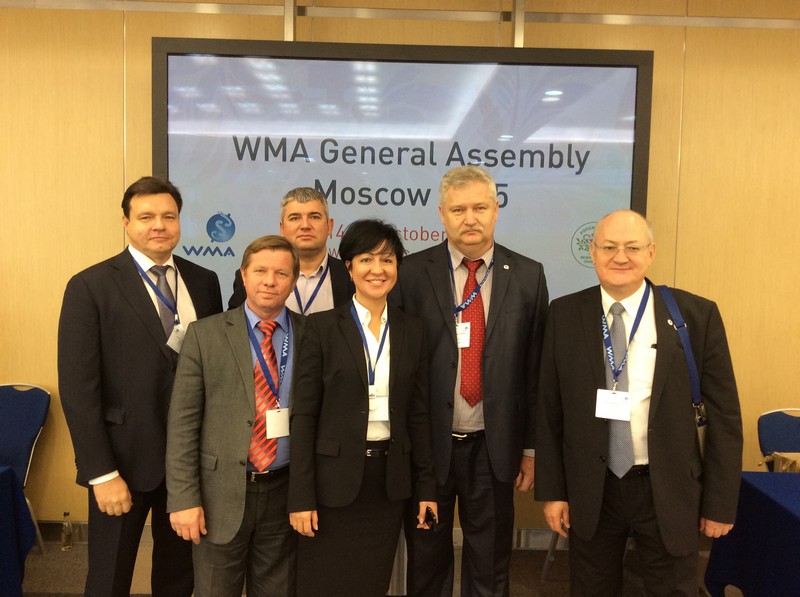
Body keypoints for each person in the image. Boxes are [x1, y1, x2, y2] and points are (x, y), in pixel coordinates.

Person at [534, 209, 743, 596]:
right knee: (591, 588)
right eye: (609, 247)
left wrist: (720, 503)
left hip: (668, 485)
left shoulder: (696, 315)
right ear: (593, 251)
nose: (620, 257)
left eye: (632, 247)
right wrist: (553, 491)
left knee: (673, 589)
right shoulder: (564, 314)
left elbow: (725, 417)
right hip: (592, 488)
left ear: (651, 253)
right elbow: (549, 410)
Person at [57, 176, 223, 597]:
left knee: (179, 577)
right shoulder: (90, 286)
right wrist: (100, 473)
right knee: (109, 578)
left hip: (189, 465)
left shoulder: (204, 281)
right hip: (123, 465)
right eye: (146, 217)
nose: (159, 226)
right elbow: (79, 390)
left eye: (169, 216)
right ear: (126, 222)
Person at [393, 166, 549, 597]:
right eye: (458, 210)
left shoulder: (529, 275)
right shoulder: (411, 273)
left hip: (493, 448)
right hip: (429, 449)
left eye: (480, 207)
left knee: (491, 564)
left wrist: (531, 449)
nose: (470, 219)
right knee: (427, 563)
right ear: (441, 215)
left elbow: (535, 370)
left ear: (496, 209)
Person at [288, 219, 438, 597]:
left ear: (398, 267)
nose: (377, 269)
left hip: (387, 483)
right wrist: (301, 496)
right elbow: (304, 417)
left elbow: (418, 416)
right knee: (321, 584)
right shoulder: (321, 328)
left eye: (387, 260)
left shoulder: (413, 330)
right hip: (331, 484)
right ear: (349, 267)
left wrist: (426, 488)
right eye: (366, 259)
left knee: (371, 582)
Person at [166, 235, 304, 597]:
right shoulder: (205, 335)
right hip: (219, 495)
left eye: (281, 273)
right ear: (243, 275)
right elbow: (182, 425)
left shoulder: (312, 334)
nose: (270, 281)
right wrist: (183, 499)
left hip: (285, 494)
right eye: (260, 271)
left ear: (293, 279)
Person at [228, 187, 352, 311]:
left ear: (329, 226)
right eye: (295, 218)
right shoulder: (250, 277)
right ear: (282, 228)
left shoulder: (351, 275)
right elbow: (234, 321)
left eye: (314, 217)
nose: (305, 226)